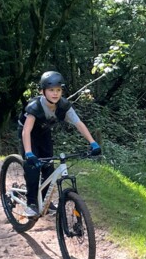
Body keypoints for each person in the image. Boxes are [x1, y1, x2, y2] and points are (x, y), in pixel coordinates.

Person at [18, 70, 101, 217]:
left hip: (44, 134)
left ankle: (45, 201)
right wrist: (29, 153)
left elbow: (78, 123)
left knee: (48, 168)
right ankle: (31, 203)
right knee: (33, 168)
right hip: (28, 134)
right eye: (51, 90)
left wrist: (93, 143)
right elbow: (26, 131)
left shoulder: (63, 106)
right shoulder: (35, 107)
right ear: (43, 91)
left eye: (58, 90)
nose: (55, 93)